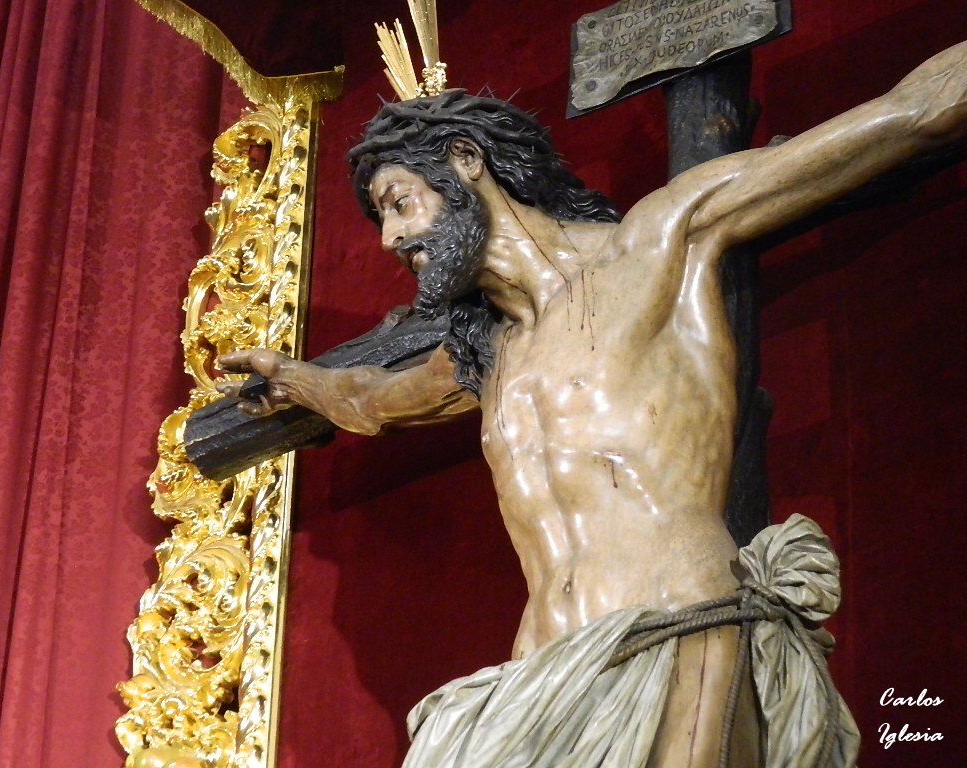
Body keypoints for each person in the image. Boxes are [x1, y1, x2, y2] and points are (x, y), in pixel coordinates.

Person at [217, 42, 967, 767]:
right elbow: (371, 400)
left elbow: (915, 113)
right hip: (537, 684)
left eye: (399, 202)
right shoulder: (486, 353)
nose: (390, 238)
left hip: (678, 635)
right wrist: (296, 379)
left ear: (466, 161)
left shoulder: (656, 246)